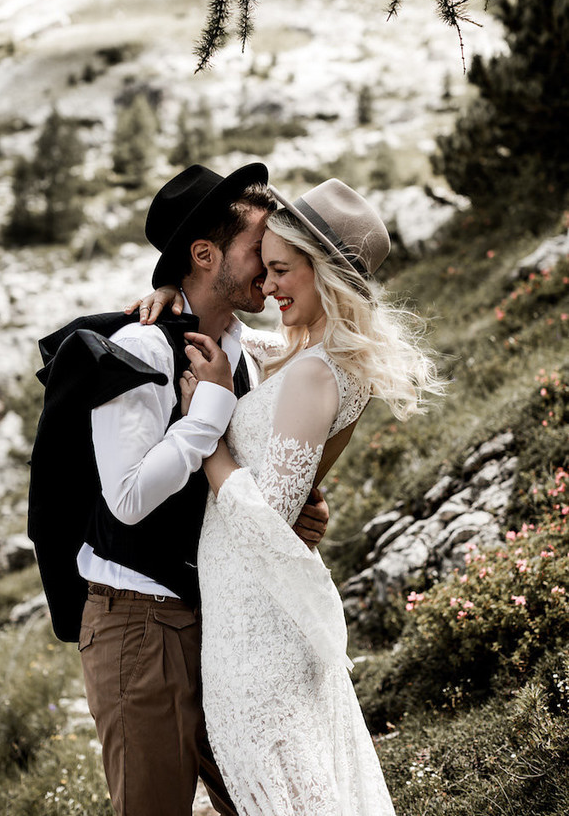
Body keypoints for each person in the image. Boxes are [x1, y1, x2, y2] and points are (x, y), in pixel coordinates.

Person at [143, 178, 445, 814]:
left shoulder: (313, 372)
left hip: (259, 640)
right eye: (266, 266)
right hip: (252, 620)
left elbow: (268, 521)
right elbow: (241, 343)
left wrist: (211, 437)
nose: (269, 285)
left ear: (325, 273)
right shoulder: (310, 354)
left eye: (281, 270)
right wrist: (178, 290)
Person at [74, 163, 331, 816]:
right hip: (138, 623)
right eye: (259, 249)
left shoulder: (243, 346)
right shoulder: (141, 346)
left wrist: (294, 508)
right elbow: (127, 497)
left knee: (262, 799)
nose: (270, 267)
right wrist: (208, 413)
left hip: (216, 622)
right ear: (205, 253)